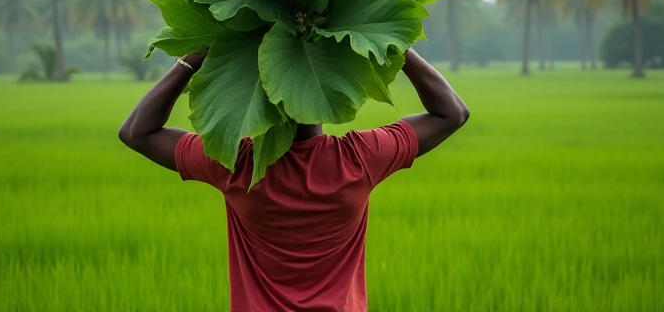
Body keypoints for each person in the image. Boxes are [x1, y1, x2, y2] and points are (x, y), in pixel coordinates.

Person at [118, 48, 469, 312]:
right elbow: (452, 113)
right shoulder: (359, 157)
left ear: (263, 96)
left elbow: (137, 132)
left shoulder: (237, 163)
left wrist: (192, 58)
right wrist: (392, 42)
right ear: (329, 93)